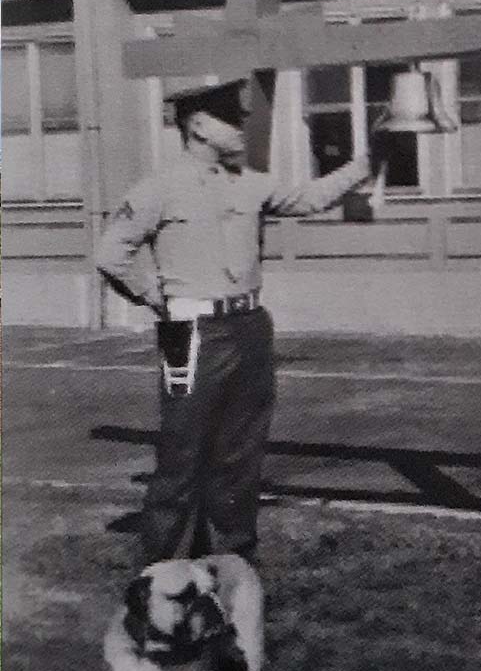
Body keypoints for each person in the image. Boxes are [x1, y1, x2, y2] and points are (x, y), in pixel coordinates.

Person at [95, 78, 372, 564]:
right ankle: (163, 579)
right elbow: (110, 253)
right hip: (195, 334)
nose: (241, 126)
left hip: (248, 326)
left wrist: (362, 167)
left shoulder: (248, 182)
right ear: (198, 125)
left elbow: (308, 198)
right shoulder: (159, 187)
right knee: (182, 456)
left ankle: (232, 567)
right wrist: (153, 295)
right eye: (229, 118)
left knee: (241, 454)